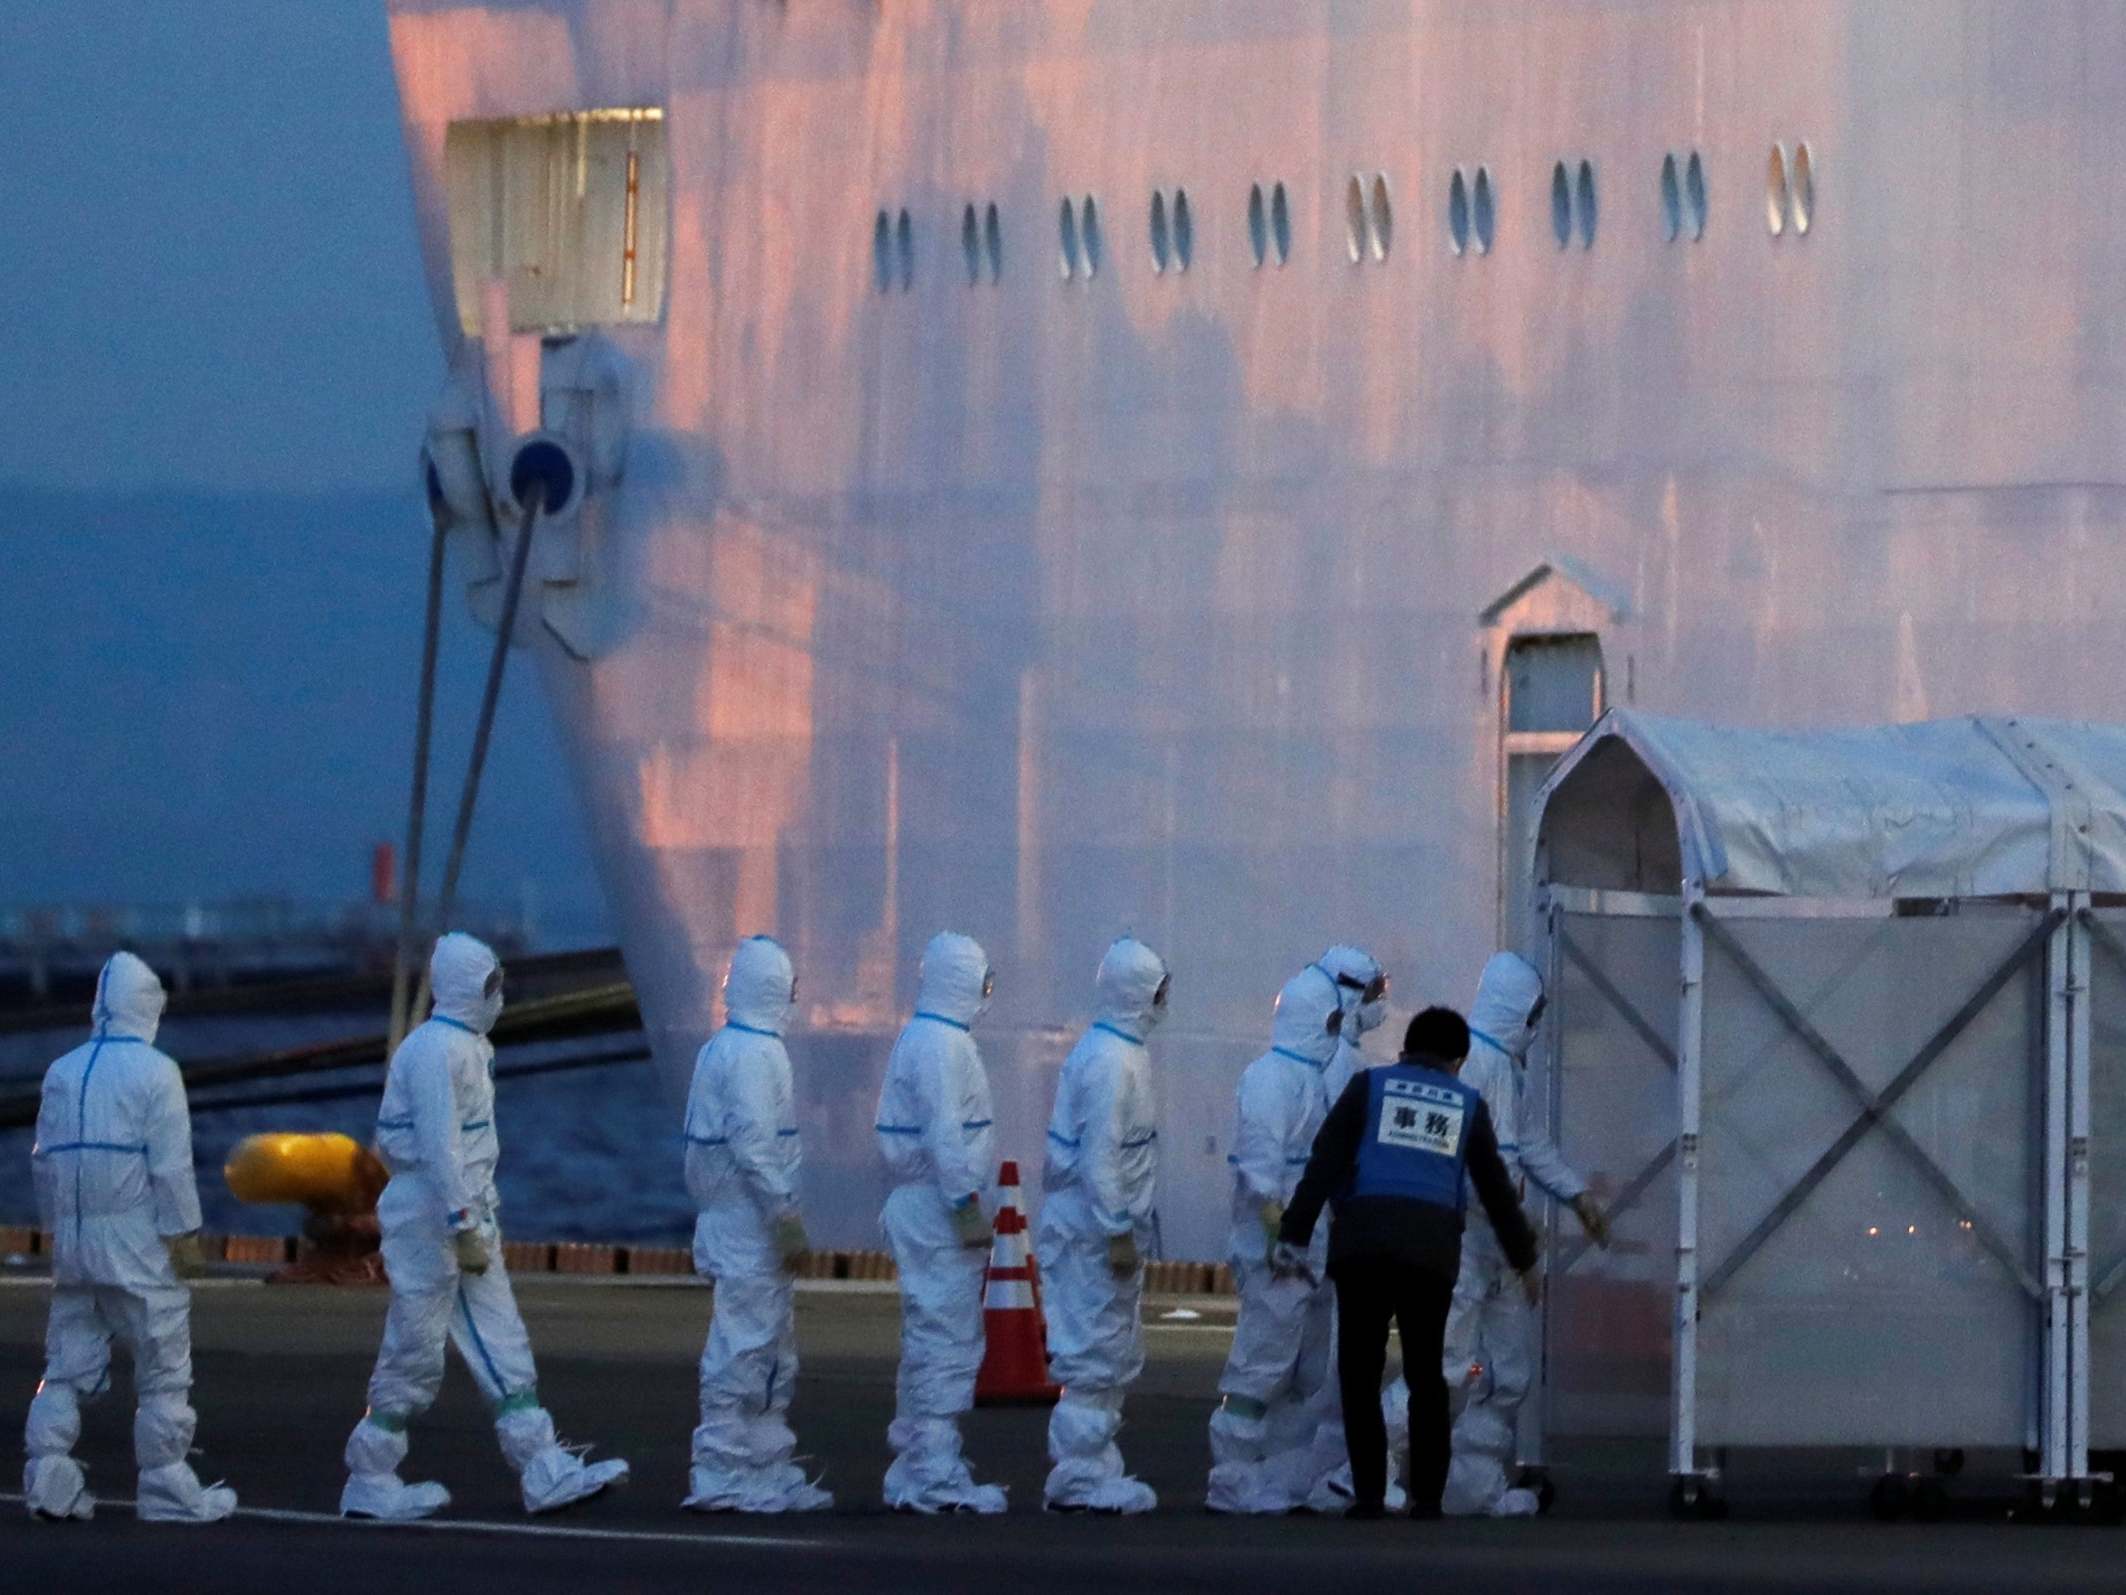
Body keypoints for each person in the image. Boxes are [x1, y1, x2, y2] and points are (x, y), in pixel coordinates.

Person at [341, 932, 629, 1520]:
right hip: (434, 1218)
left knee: (502, 1338)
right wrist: (462, 1221)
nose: (498, 996)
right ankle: (370, 1475)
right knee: (415, 1346)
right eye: (491, 985)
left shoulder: (466, 1047)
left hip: (462, 1213)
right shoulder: (435, 1052)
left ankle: (541, 1464)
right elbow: (440, 1145)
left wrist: (470, 1219)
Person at [1276, 1007, 1540, 1520]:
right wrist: (1525, 1259)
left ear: (1406, 1047)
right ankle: (1428, 1500)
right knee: (1426, 1376)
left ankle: (1370, 1495)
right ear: (1458, 1060)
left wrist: (1293, 1235)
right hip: (1430, 1251)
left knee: (1360, 1374)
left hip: (1363, 1245)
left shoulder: (1368, 1087)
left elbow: (1324, 1162)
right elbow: (1496, 1190)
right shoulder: (1467, 1104)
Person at [23, 951, 236, 1523]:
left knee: (67, 1358)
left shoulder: (61, 1071)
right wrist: (185, 1234)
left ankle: (48, 1475)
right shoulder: (156, 1071)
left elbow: (43, 1163)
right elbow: (169, 1166)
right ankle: (166, 1483)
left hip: (73, 1241)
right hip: (135, 1239)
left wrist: (56, 1230)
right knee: (163, 1358)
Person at [1443, 952, 1610, 1517]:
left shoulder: (1506, 1068)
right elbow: (1474, 1167)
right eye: (1534, 1013)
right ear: (1518, 1010)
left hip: (1501, 1246)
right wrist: (1521, 1234)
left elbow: (1529, 1143)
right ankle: (1365, 1474)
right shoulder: (1471, 1064)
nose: (1537, 1027)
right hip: (1472, 1244)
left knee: (1504, 1371)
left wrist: (1576, 1193)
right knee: (1447, 1363)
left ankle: (1474, 1485)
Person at [681, 935, 832, 1513]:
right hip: (749, 1222)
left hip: (743, 1220)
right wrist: (783, 1214)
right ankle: (720, 1467)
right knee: (743, 1345)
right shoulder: (754, 1054)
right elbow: (752, 1142)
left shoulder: (730, 1047)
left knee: (769, 1347)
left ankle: (764, 1462)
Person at [1034, 936, 1170, 1514]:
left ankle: (1094, 1464)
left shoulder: (1118, 1051)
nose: (1166, 1000)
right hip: (1092, 1228)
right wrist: (1116, 1227)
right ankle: (1079, 1476)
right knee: (1093, 1350)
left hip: (1099, 1224)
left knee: (1110, 1347)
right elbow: (1100, 1157)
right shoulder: (1112, 1062)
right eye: (1159, 989)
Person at [875, 931, 1005, 1513]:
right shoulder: (941, 1046)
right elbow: (944, 1133)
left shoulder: (928, 1038)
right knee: (946, 1338)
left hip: (923, 1203)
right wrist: (964, 1205)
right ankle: (933, 1469)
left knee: (928, 1333)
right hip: (936, 1209)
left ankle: (918, 1460)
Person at [1205, 964, 1341, 1514]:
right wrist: (1278, 1239)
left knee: (1295, 1368)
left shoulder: (1305, 1077)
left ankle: (1272, 1472)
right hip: (1279, 1253)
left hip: (1302, 1250)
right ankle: (1232, 1478)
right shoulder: (1271, 1077)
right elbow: (1260, 1171)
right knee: (1259, 1364)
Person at [1301, 945, 1408, 1513]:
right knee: (1347, 1363)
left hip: (1325, 1228)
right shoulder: (1346, 1068)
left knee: (1328, 1365)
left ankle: (1324, 1472)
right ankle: (1346, 1471)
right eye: (1372, 992)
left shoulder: (1323, 1059)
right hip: (1343, 1227)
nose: (1380, 1004)